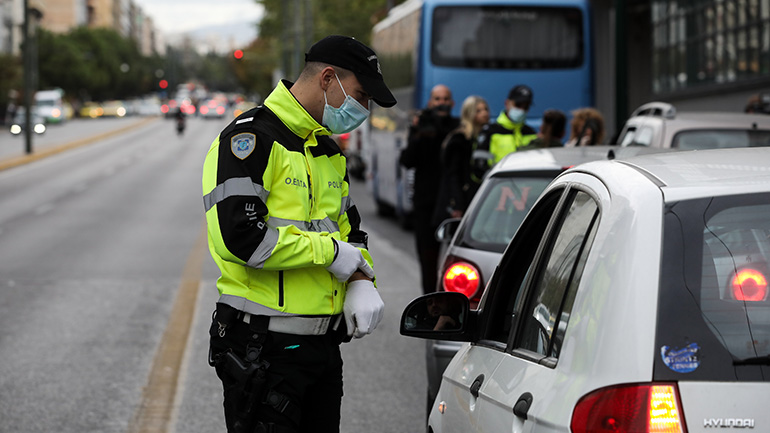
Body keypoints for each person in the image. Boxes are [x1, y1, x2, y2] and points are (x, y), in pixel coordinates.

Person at [202, 35, 395, 433]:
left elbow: (351, 230)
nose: (364, 109)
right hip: (262, 349)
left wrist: (360, 278)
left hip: (322, 349)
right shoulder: (250, 141)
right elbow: (242, 239)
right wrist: (331, 254)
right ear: (328, 79)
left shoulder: (327, 151)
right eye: (361, 96)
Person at [399, 84, 459, 294]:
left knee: (455, 260)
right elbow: (407, 160)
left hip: (451, 203)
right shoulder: (421, 126)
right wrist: (418, 133)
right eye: (437, 99)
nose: (441, 103)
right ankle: (430, 301)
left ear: (452, 103)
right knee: (428, 259)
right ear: (430, 102)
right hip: (425, 204)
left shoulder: (457, 128)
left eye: (445, 99)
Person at [432, 95, 490, 226]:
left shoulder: (486, 137)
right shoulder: (459, 139)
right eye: (478, 110)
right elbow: (453, 174)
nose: (484, 113)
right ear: (469, 114)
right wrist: (457, 204)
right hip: (462, 200)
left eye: (486, 109)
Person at [472, 84, 537, 178]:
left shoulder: (531, 133)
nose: (522, 110)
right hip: (499, 184)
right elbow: (479, 168)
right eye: (518, 105)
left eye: (526, 107)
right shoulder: (490, 132)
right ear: (507, 103)